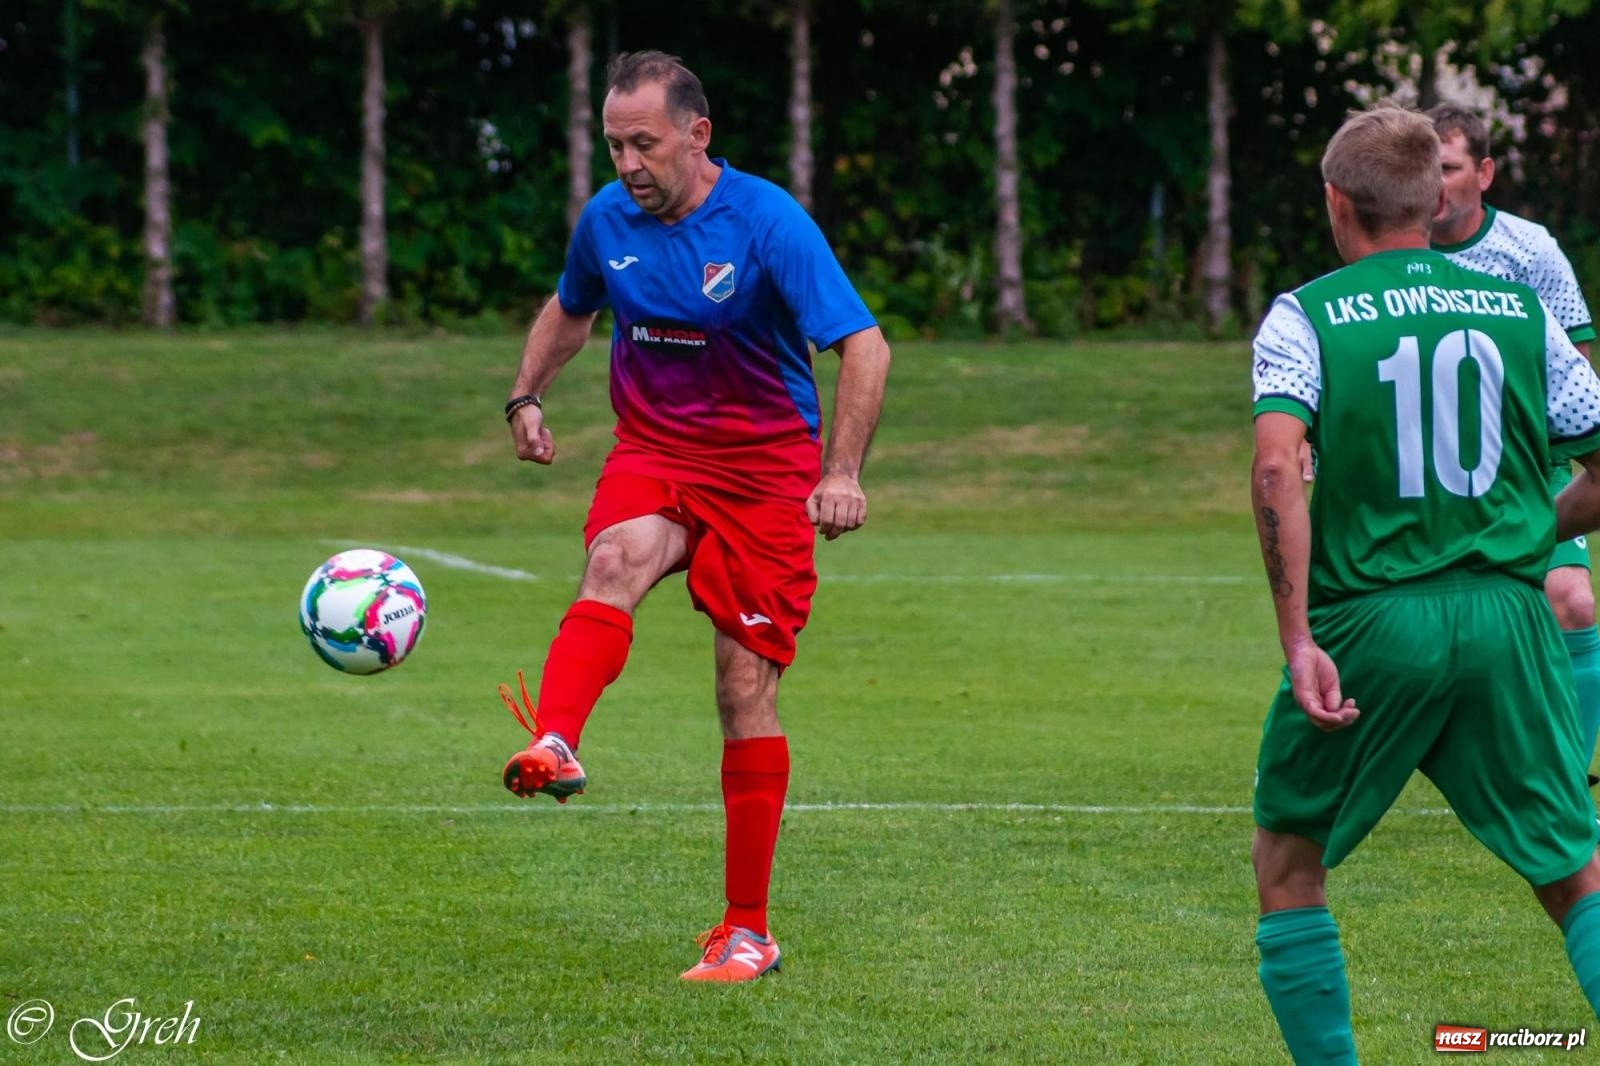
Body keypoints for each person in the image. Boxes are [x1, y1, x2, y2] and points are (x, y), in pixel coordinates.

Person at [497, 50, 890, 983]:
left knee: (741, 688)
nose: (628, 163)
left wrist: (843, 473)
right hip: (656, 450)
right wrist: (524, 397)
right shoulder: (606, 221)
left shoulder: (766, 222)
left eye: (645, 143)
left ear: (697, 134)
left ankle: (747, 931)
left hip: (763, 471)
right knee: (612, 560)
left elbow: (863, 346)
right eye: (614, 144)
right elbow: (570, 308)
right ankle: (556, 740)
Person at [1249, 104, 1600, 1063]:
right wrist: (1529, 543)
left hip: (1371, 626)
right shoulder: (1520, 309)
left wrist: (1297, 639)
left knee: (1289, 864)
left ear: (1335, 201)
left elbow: (1279, 470)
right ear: (1436, 194)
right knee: (1575, 870)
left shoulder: (1306, 314)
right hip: (1509, 619)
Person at [1426, 102, 1600, 775]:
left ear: (1486, 172)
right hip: (1434, 467)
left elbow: (1580, 364)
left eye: (1449, 168)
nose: (1435, 185)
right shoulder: (1393, 249)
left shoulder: (1530, 250)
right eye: (1425, 169)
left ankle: (1564, 777)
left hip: (1532, 463)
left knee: (1574, 601)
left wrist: (1544, 449)